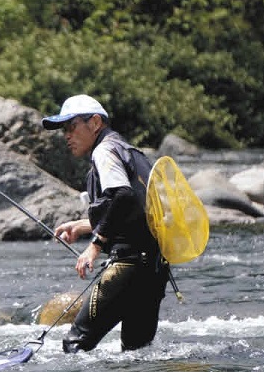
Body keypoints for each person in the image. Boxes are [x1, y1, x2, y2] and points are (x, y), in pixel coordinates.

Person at [41, 94, 169, 353]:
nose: (66, 135)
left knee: (75, 345)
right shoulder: (130, 152)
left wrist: (95, 245)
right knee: (136, 353)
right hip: (155, 268)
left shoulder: (104, 150)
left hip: (129, 266)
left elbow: (121, 196)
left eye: (71, 126)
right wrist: (82, 225)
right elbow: (136, 209)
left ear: (95, 122)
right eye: (63, 130)